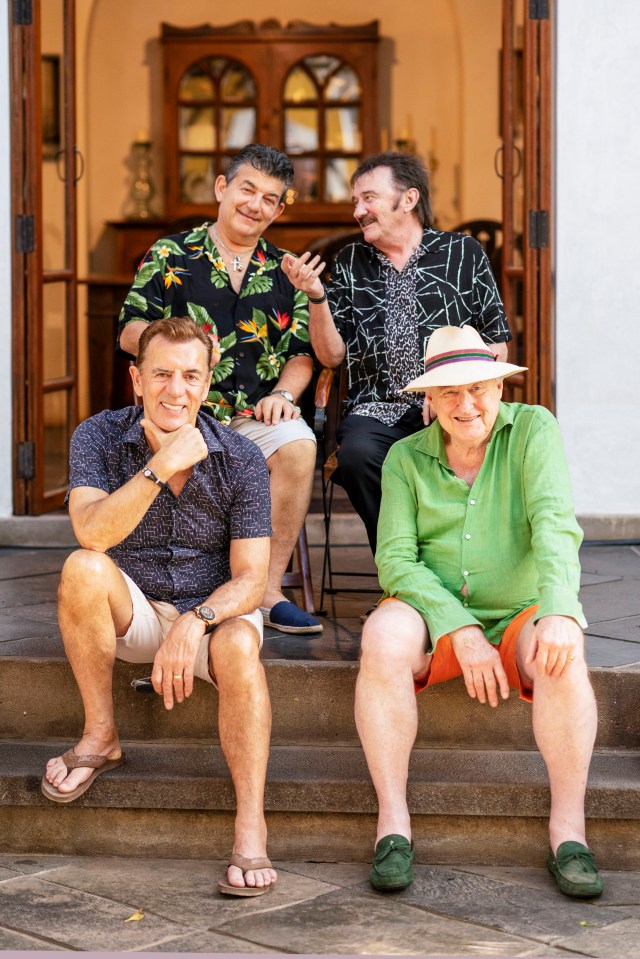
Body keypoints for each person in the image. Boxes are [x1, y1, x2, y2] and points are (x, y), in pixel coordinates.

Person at [355, 324, 603, 900]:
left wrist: (563, 610)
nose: (467, 404)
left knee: (562, 651)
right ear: (429, 399)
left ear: (498, 385)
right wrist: (458, 627)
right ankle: (392, 827)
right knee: (384, 636)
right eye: (449, 392)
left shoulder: (534, 428)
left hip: (520, 606)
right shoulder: (402, 458)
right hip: (434, 612)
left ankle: (569, 833)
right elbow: (395, 561)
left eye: (479, 388)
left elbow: (553, 521)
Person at [41, 317, 278, 897]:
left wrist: (196, 622)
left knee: (243, 643)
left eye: (190, 376)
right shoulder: (97, 436)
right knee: (82, 568)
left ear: (207, 383)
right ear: (136, 380)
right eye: (163, 375)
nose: (177, 390)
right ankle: (100, 737)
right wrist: (161, 465)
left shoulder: (242, 458)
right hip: (135, 608)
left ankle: (251, 822)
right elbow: (92, 533)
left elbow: (251, 579)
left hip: (213, 616)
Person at [118, 144, 321, 635]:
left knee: (298, 444)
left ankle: (266, 590)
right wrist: (174, 350)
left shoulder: (285, 270)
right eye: (247, 189)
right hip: (180, 413)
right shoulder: (172, 254)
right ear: (222, 188)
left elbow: (300, 353)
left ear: (278, 210)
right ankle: (174, 592)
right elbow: (129, 330)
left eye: (270, 199)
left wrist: (286, 396)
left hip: (253, 417)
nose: (255, 205)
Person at [282, 151, 512, 553]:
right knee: (355, 455)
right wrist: (317, 297)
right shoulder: (351, 261)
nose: (358, 210)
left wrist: (449, 392)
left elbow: (496, 342)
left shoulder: (463, 254)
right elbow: (332, 356)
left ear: (408, 199)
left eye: (368, 198)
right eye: (355, 201)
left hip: (455, 405)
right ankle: (404, 567)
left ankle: (447, 566)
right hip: (376, 409)